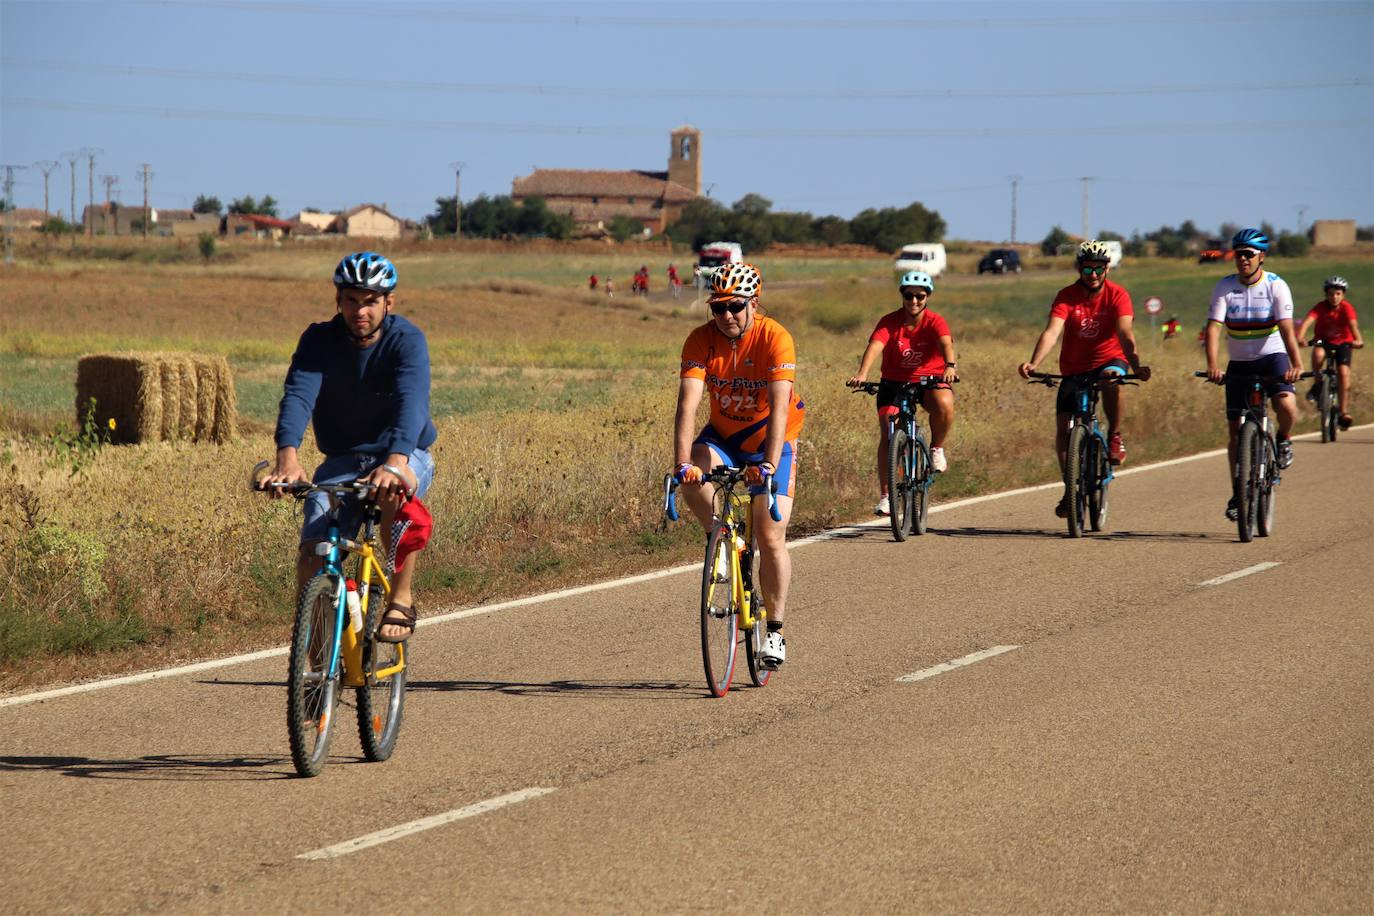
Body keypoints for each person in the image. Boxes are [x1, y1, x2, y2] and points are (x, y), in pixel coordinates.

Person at [262, 251, 438, 643]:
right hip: (342, 461)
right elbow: (298, 396)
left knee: (394, 495)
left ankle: (401, 597)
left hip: (406, 452)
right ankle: (314, 673)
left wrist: (395, 461)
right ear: (338, 302)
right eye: (352, 300)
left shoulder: (406, 340)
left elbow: (412, 402)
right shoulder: (318, 341)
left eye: (371, 301)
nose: (361, 310)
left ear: (388, 304)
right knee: (312, 555)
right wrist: (287, 458)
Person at [673, 263, 804, 668]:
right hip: (725, 437)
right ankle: (721, 537)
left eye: (735, 306)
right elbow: (687, 404)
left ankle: (776, 632)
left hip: (773, 442)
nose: (726, 316)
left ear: (753, 303)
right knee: (695, 469)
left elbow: (780, 407)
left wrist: (766, 463)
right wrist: (681, 464)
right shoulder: (700, 340)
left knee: (770, 537)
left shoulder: (775, 337)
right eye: (718, 308)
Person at [1018, 240, 1150, 517]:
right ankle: (1070, 489)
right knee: (1064, 431)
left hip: (1110, 359)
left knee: (1111, 378)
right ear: (1079, 268)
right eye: (1087, 268)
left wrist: (1136, 365)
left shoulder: (1118, 295)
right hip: (1074, 368)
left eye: (1098, 269)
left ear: (1107, 269)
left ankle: (1114, 435)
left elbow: (1126, 334)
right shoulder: (1066, 295)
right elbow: (1052, 332)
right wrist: (1034, 362)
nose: (1093, 275)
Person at [1204, 228, 1304, 521]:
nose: (1243, 259)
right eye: (1239, 254)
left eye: (1249, 254)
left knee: (1285, 404)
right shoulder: (1225, 286)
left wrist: (1295, 364)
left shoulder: (1276, 285)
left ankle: (1284, 438)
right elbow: (1213, 328)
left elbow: (1286, 328)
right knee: (1235, 431)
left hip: (1272, 358)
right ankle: (1238, 493)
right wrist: (1213, 365)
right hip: (1239, 362)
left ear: (1262, 256)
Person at [846, 270, 957, 515]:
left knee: (945, 403)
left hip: (929, 381)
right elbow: (876, 345)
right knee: (888, 430)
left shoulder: (935, 321)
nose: (914, 301)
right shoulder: (889, 321)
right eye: (909, 296)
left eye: (920, 296)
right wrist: (863, 373)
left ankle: (936, 448)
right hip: (894, 383)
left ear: (928, 297)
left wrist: (950, 366)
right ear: (902, 296)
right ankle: (887, 495)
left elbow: (946, 343)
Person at [1297, 275, 1363, 429]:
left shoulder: (1347, 308)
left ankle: (1344, 411)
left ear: (1343, 294)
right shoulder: (1320, 307)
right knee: (1318, 354)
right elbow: (1307, 322)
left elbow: (1353, 326)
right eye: (1331, 294)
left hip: (1344, 342)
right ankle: (1318, 385)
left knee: (1343, 372)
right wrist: (1300, 338)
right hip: (1323, 341)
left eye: (1338, 294)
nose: (1334, 297)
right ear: (1326, 295)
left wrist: (1358, 340)